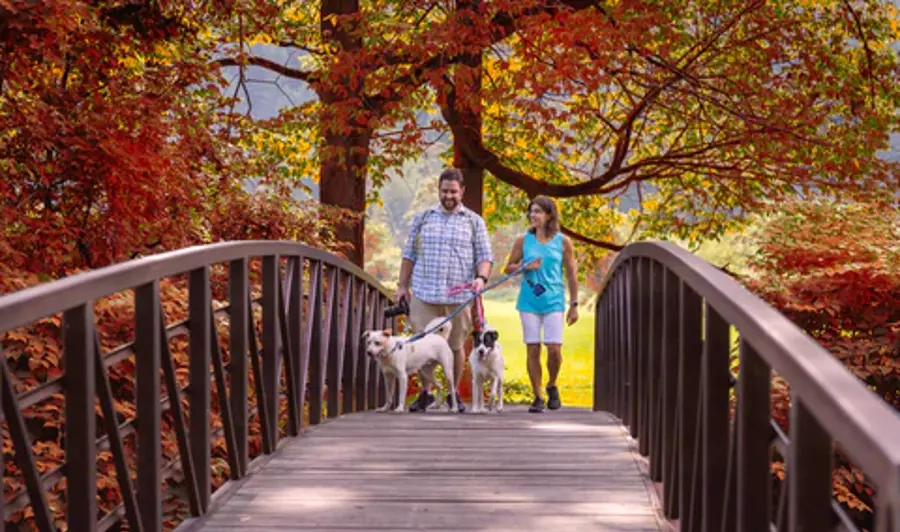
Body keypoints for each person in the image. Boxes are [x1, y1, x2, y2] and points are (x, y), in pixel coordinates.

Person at [397, 167, 494, 413]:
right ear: (438, 191)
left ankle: (452, 395)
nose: (448, 196)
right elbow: (409, 254)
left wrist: (481, 278)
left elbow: (485, 257)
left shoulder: (474, 222)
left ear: (462, 191)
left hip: (458, 296)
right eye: (444, 191)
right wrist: (402, 286)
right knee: (422, 345)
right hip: (424, 292)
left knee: (455, 345)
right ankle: (426, 393)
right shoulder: (423, 218)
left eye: (453, 191)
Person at [503, 195, 579, 413]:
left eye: (537, 211)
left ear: (549, 215)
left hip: (554, 301)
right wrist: (525, 265)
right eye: (531, 211)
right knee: (533, 348)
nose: (533, 215)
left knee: (554, 349)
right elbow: (508, 268)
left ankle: (552, 384)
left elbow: (572, 274)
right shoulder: (522, 240)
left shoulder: (563, 242)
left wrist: (574, 304)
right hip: (529, 302)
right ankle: (537, 395)